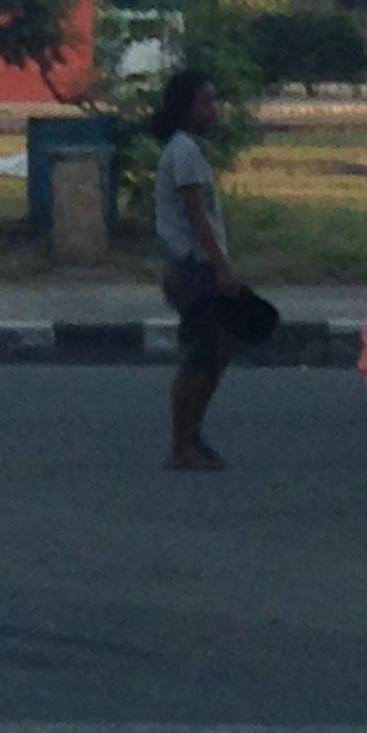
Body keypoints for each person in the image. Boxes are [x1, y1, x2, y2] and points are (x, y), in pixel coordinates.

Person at [151, 69, 240, 471]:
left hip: (198, 263)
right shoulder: (185, 151)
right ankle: (180, 441)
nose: (214, 109)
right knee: (199, 354)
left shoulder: (188, 148)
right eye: (206, 101)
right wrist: (221, 266)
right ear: (187, 106)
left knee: (217, 350)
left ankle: (192, 433)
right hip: (194, 266)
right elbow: (197, 215)